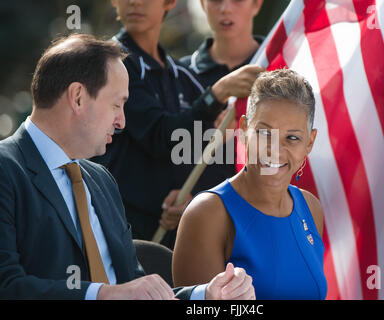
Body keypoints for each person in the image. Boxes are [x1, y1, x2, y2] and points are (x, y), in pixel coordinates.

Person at [0, 34, 255, 300]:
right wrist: (102, 295)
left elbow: (133, 289)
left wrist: (205, 295)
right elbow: (7, 287)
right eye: (117, 104)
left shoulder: (101, 181)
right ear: (77, 98)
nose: (122, 121)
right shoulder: (6, 170)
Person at [92, 0, 264, 248]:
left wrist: (184, 198)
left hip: (168, 238)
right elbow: (163, 136)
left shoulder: (178, 73)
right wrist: (217, 93)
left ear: (170, 2)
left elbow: (186, 152)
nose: (135, 2)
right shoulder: (110, 64)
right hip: (120, 233)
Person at [172, 69, 328, 299]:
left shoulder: (310, 207)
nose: (275, 149)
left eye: (292, 138)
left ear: (310, 142)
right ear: (244, 130)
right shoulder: (207, 214)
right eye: (265, 133)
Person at [180, 0, 265, 192]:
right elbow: (172, 150)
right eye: (216, 0)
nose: (226, 8)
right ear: (202, 4)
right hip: (198, 211)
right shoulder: (180, 74)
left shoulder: (280, 66)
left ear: (257, 4)